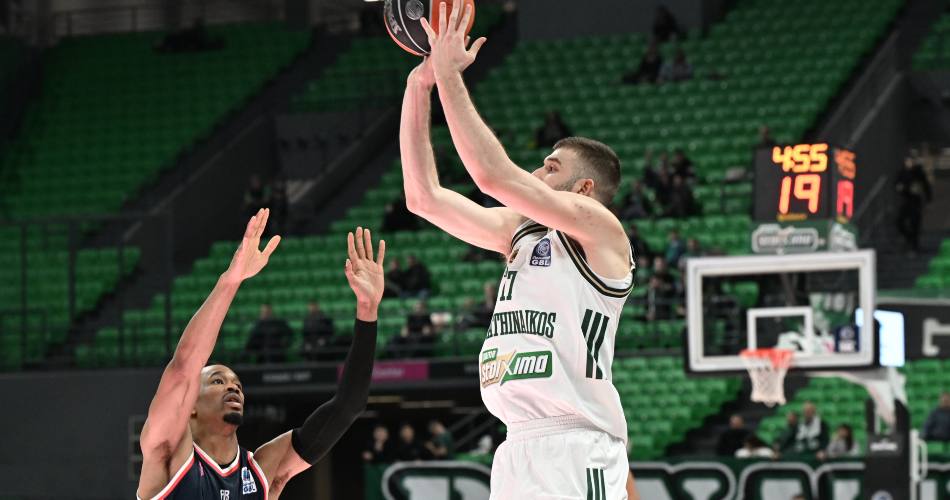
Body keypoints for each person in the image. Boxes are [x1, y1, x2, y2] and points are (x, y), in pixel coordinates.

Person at [405, 7, 640, 496]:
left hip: (578, 445)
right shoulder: (520, 232)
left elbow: (492, 175)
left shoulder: (601, 230)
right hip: (516, 446)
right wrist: (419, 86)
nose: (536, 173)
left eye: (550, 167)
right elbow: (423, 198)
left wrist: (449, 74)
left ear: (584, 187)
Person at [136, 211, 386, 500]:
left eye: (238, 385)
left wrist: (367, 312)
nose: (233, 387)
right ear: (190, 404)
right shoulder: (167, 452)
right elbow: (184, 369)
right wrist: (231, 281)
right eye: (217, 381)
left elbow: (348, 406)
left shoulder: (261, 472)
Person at [895, 156, 932, 254]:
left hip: (916, 202)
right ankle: (910, 239)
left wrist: (928, 200)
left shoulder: (918, 172)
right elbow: (897, 184)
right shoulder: (902, 172)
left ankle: (915, 246)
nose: (909, 163)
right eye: (907, 161)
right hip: (906, 200)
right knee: (899, 222)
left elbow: (925, 186)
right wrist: (902, 188)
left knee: (915, 223)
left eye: (911, 161)